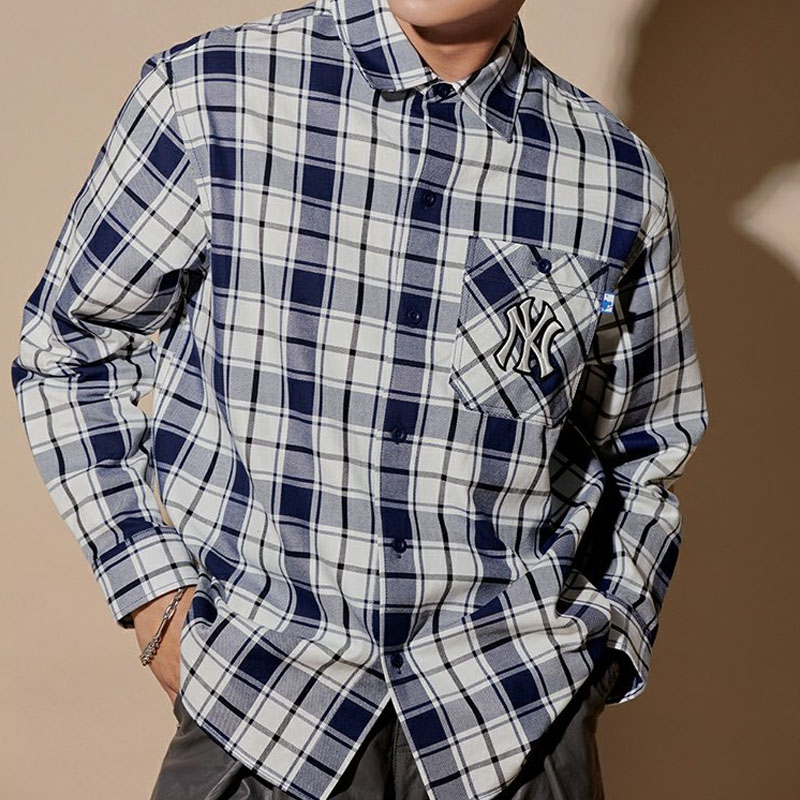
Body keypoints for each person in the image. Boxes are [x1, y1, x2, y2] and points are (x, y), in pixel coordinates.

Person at [9, 0, 710, 798]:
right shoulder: (212, 93)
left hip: (515, 725)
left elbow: (646, 447)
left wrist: (602, 646)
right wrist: (154, 596)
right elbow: (69, 349)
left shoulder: (616, 178)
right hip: (262, 712)